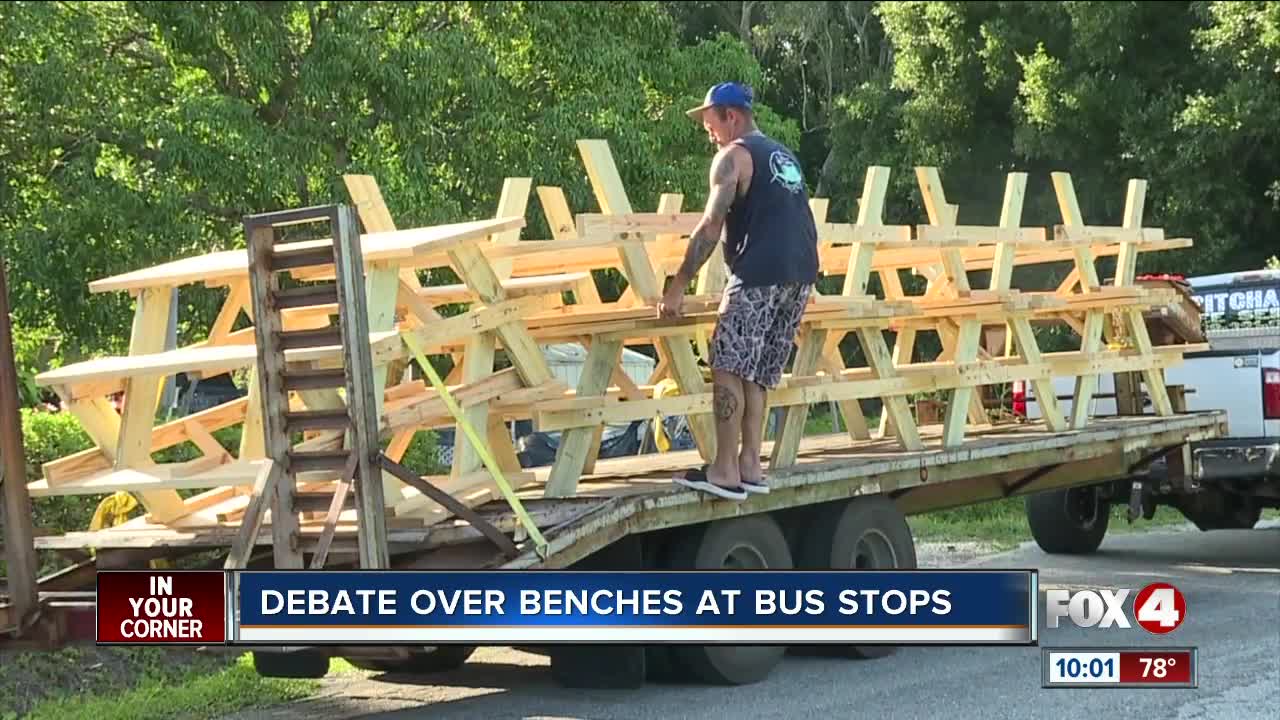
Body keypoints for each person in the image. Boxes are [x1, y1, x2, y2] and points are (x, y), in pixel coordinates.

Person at [656, 82, 820, 501]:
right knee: (758, 370)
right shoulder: (782, 156)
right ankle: (751, 464)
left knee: (728, 362)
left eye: (710, 124)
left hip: (760, 274)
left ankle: (725, 470)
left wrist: (676, 286)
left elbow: (711, 226)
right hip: (799, 274)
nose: (708, 133)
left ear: (731, 116)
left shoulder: (732, 158)